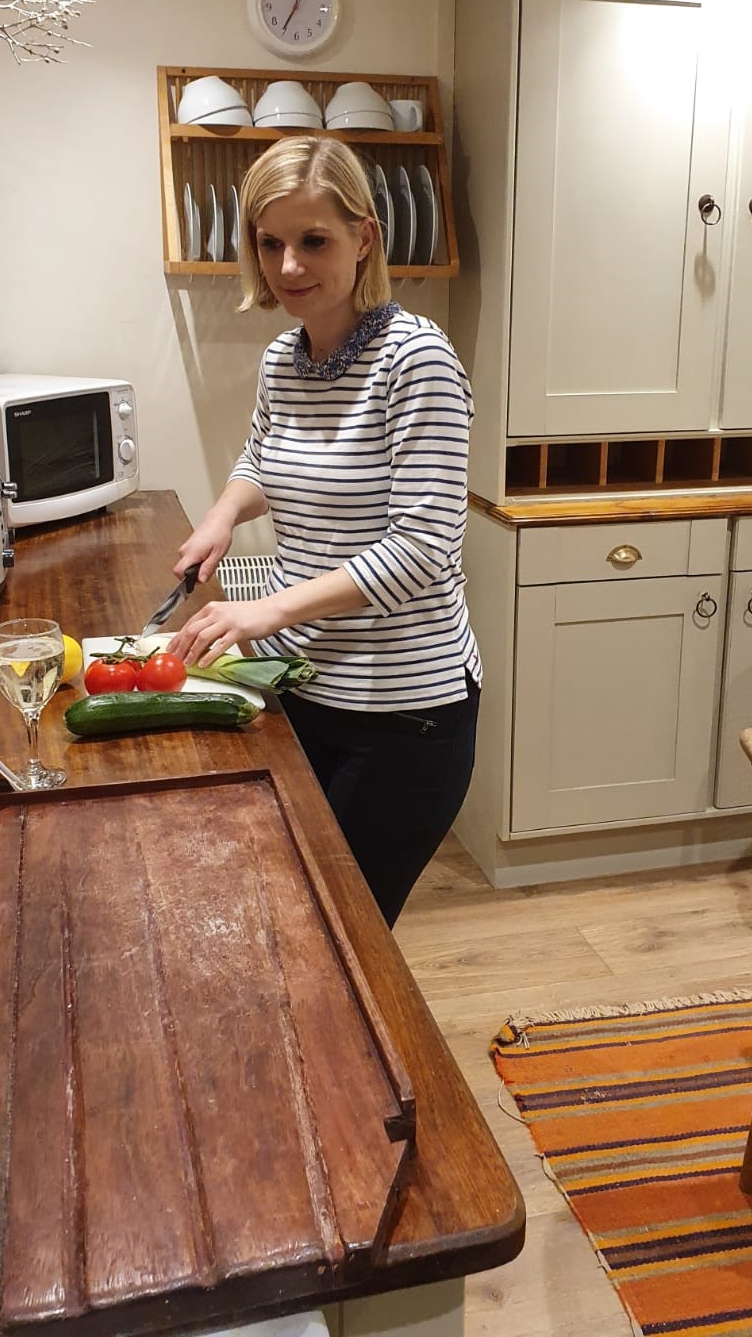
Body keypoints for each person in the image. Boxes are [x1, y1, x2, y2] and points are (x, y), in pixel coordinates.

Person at [166, 135, 480, 928]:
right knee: (289, 915)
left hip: (401, 715)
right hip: (297, 692)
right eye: (270, 243)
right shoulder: (285, 357)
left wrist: (263, 611)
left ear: (364, 238)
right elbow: (262, 457)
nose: (289, 267)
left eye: (314, 241)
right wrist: (223, 514)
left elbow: (421, 552)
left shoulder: (417, 361)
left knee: (340, 933)